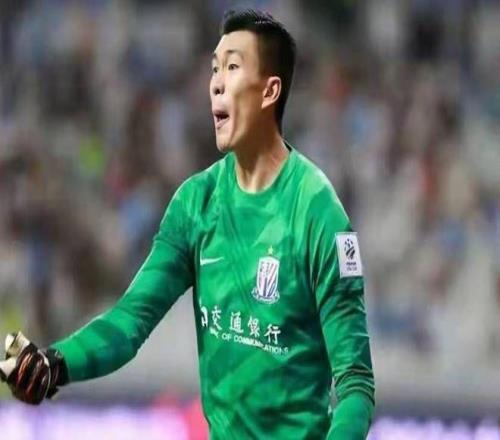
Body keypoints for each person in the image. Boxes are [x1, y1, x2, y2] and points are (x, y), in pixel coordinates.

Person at [0, 9, 375, 439]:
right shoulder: (196, 203)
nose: (215, 83)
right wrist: (55, 363)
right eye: (214, 69)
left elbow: (355, 383)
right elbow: (129, 322)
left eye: (232, 68)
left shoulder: (319, 213)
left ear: (270, 90)